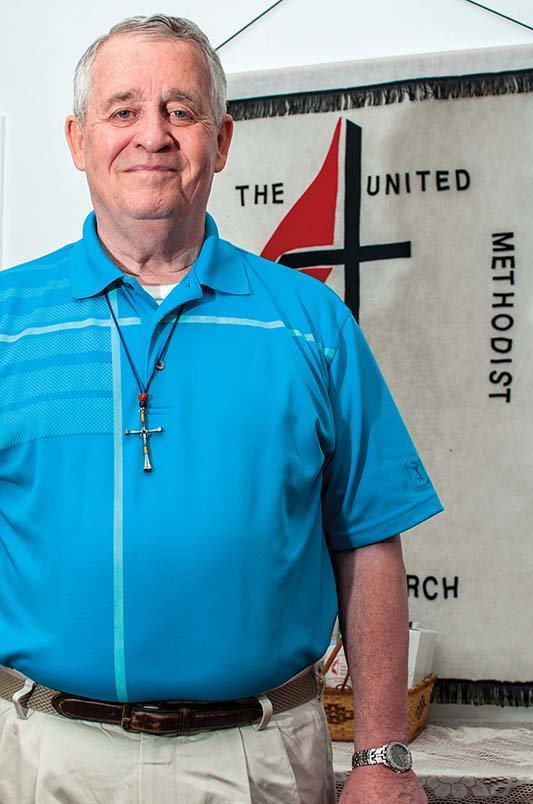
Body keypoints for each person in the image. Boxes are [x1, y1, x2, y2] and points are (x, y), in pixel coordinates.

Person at [0, 14, 442, 804]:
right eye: (123, 109)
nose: (153, 135)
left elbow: (369, 538)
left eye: (181, 109)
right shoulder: (7, 320)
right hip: (42, 758)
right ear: (77, 140)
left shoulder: (313, 322)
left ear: (222, 139)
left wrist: (383, 756)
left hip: (258, 761)